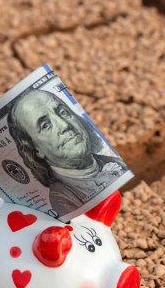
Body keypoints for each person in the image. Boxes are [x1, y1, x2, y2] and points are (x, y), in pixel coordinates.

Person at [7, 89, 127, 217]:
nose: (64, 125)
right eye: (46, 125)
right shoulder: (61, 199)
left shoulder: (115, 162)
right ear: (36, 149)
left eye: (63, 112)